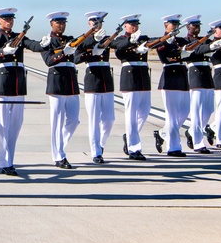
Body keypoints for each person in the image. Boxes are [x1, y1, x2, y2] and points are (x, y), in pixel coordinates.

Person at [0, 8, 45, 175]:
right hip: (3, 84)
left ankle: (10, 160)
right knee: (2, 126)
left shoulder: (19, 37)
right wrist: (2, 52)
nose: (9, 22)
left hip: (18, 85)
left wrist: (45, 43)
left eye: (11, 19)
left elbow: (33, 45)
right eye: (6, 19)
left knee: (15, 126)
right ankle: (3, 162)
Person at [40, 12, 80, 168]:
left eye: (63, 23)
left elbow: (77, 57)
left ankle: (59, 145)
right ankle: (58, 156)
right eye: (58, 23)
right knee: (57, 122)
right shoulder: (47, 41)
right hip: (56, 83)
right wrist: (64, 52)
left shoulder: (70, 39)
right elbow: (49, 61)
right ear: (51, 24)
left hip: (71, 82)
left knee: (74, 121)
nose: (61, 25)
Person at [77, 11, 117, 163]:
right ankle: (96, 152)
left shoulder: (106, 37)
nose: (97, 24)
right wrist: (93, 43)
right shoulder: (84, 38)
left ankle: (100, 144)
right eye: (94, 22)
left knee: (109, 119)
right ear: (89, 23)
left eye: (99, 22)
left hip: (106, 78)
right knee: (94, 119)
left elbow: (119, 43)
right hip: (92, 79)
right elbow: (77, 54)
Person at [110, 15, 151, 160]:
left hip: (143, 77)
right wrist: (131, 42)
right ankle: (134, 148)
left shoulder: (143, 37)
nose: (134, 27)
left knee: (145, 111)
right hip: (130, 76)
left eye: (136, 24)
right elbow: (117, 47)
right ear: (125, 26)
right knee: (131, 114)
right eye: (131, 24)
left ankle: (129, 136)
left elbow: (154, 43)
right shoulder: (120, 39)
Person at [195, 19, 221, 149]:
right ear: (215, 30)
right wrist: (215, 45)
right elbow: (201, 50)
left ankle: (214, 128)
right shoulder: (209, 42)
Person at [152, 14, 189, 157]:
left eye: (177, 23)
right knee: (172, 115)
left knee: (185, 112)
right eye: (173, 23)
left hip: (182, 76)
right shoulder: (162, 42)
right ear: (165, 26)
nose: (175, 25)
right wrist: (182, 54)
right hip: (170, 77)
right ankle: (173, 148)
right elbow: (165, 58)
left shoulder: (181, 40)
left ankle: (162, 133)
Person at [181, 15, 214, 154]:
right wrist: (208, 45)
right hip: (195, 73)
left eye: (198, 26)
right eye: (194, 26)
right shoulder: (185, 40)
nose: (197, 28)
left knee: (208, 109)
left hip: (206, 73)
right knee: (197, 111)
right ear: (188, 27)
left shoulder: (205, 40)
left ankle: (191, 131)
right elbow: (190, 51)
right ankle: (198, 142)